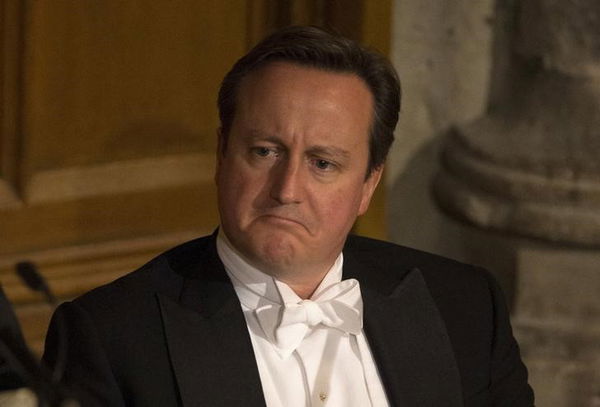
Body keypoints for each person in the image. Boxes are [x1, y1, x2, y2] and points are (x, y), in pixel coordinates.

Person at [43, 26, 534, 406]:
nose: (287, 190)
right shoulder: (112, 338)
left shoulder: (465, 307)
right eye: (264, 151)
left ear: (368, 184)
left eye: (323, 163)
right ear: (221, 154)